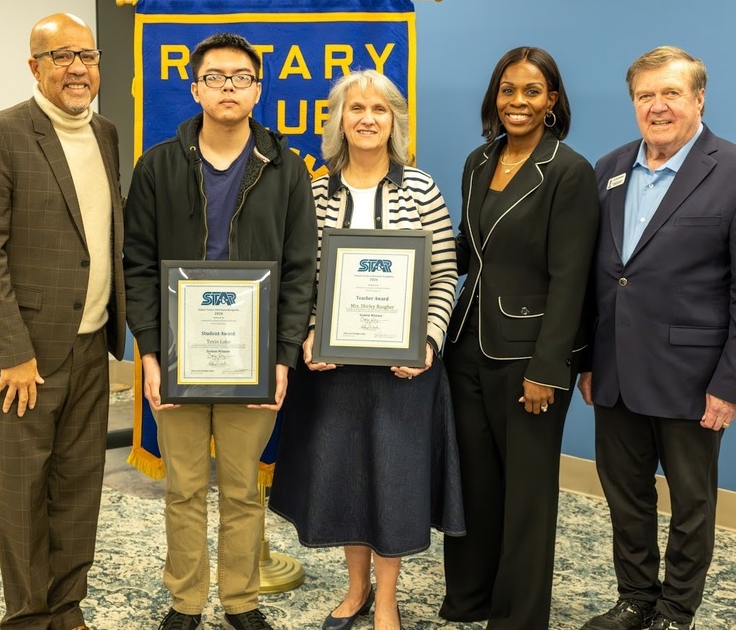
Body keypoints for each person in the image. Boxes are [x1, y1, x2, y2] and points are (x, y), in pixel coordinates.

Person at [122, 33, 316, 630]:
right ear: (194, 87)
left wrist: (281, 358)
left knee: (241, 489)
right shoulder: (157, 165)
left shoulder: (285, 169)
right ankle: (185, 601)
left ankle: (240, 600)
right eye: (215, 77)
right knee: (182, 489)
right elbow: (138, 264)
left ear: (258, 90)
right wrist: (150, 354)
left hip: (252, 357)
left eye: (240, 77)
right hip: (178, 357)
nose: (227, 87)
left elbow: (300, 270)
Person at [268, 69, 465, 630]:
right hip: (333, 368)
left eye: (379, 109)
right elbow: (299, 276)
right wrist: (310, 332)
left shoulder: (421, 188)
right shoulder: (314, 189)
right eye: (356, 108)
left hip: (405, 368)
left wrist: (427, 339)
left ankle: (386, 598)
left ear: (394, 121)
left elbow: (444, 274)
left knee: (393, 482)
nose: (367, 119)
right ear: (339, 121)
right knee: (347, 479)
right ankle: (356, 591)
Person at [577, 46, 736, 630]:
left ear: (698, 98)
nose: (657, 107)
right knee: (625, 496)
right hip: (614, 373)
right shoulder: (608, 169)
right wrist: (586, 360)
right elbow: (598, 277)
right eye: (644, 96)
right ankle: (635, 596)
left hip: (693, 378)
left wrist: (731, 383)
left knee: (691, 504)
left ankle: (676, 610)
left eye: (671, 93)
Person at [0, 13, 125, 630]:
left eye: (87, 55)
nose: (78, 68)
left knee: (80, 486)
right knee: (26, 494)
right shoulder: (0, 134)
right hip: (23, 354)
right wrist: (14, 352)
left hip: (89, 346)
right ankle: (28, 618)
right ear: (35, 67)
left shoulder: (106, 133)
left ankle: (67, 607)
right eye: (61, 56)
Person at [439, 47, 599, 630]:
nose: (518, 102)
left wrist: (547, 368)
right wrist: (401, 254)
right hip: (466, 349)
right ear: (495, 96)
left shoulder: (568, 172)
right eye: (508, 90)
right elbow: (466, 247)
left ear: (552, 101)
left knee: (527, 498)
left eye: (532, 92)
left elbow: (571, 280)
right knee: (475, 488)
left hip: (527, 356)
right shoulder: (478, 162)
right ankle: (471, 598)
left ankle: (518, 617)